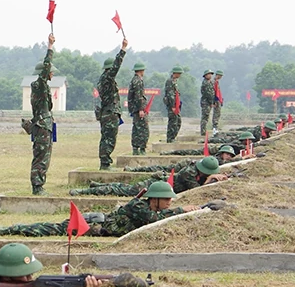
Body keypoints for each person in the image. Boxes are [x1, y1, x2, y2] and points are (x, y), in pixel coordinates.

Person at [0, 182, 202, 237]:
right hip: (93, 224)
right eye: (167, 199)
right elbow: (153, 219)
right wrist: (182, 210)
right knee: (49, 229)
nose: (170, 202)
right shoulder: (139, 206)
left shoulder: (148, 207)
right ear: (154, 199)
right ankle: (7, 230)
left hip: (99, 223)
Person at [71, 147, 239, 197]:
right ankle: (83, 191)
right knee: (125, 190)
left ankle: (97, 186)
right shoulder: (189, 172)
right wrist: (210, 180)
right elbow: (195, 191)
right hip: (157, 186)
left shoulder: (197, 171)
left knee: (123, 187)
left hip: (162, 186)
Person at [30, 34, 56, 195]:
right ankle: (37, 186)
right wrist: (50, 46)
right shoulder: (39, 85)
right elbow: (46, 67)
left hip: (45, 125)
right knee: (41, 156)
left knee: (45, 156)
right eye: (50, 71)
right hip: (41, 126)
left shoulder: (43, 86)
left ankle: (40, 184)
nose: (52, 73)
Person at [96, 38, 127, 169]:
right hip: (110, 112)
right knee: (109, 138)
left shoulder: (102, 79)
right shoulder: (108, 78)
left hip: (106, 112)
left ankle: (104, 162)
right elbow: (116, 66)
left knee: (106, 138)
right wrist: (123, 49)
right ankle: (105, 163)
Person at [128, 62, 149, 155]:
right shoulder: (138, 81)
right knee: (143, 129)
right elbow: (138, 96)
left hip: (135, 108)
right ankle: (141, 148)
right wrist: (141, 109)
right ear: (141, 70)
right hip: (138, 109)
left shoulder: (135, 80)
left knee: (136, 128)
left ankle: (136, 149)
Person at [163, 66, 183, 143]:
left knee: (178, 121)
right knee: (173, 122)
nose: (180, 75)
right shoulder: (170, 81)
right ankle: (170, 138)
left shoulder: (174, 82)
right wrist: (173, 106)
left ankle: (173, 137)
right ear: (175, 73)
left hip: (176, 105)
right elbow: (170, 95)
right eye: (179, 73)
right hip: (172, 106)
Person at [200, 69, 215, 136]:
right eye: (209, 74)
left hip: (209, 102)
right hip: (206, 102)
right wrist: (211, 102)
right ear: (205, 75)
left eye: (211, 74)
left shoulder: (211, 82)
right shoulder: (205, 83)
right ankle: (203, 131)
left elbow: (212, 92)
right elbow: (207, 94)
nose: (210, 75)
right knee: (205, 117)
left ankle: (204, 130)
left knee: (207, 116)